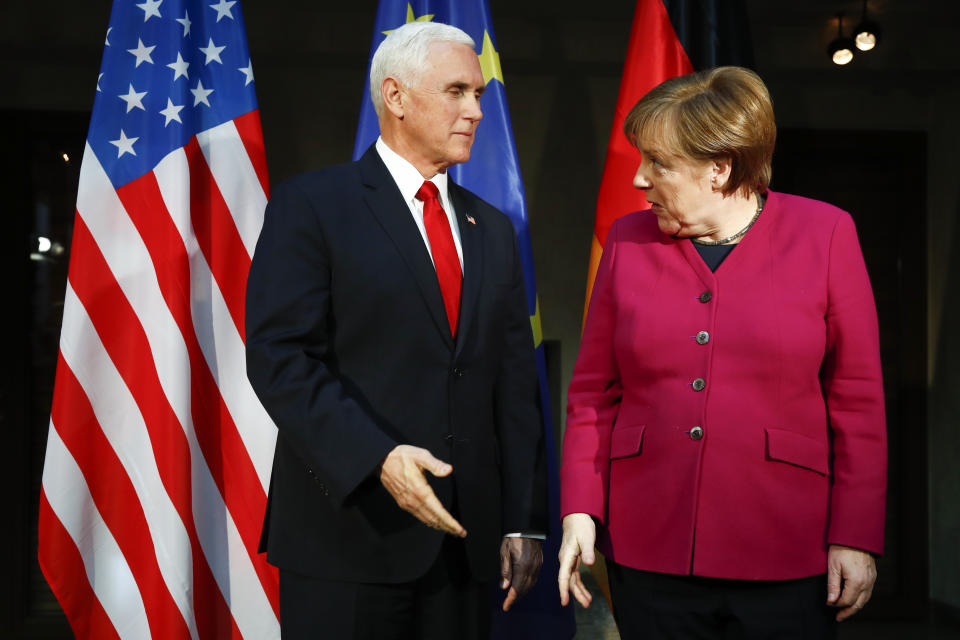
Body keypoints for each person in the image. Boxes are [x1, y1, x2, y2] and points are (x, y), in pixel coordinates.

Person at [557, 66, 887, 639]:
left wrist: (855, 534)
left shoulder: (827, 234)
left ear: (720, 167)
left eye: (658, 163)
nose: (639, 179)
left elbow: (857, 400)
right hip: (650, 544)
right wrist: (580, 509)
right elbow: (593, 393)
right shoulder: (626, 242)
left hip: (785, 544)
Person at [246, 21, 546, 639]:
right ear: (396, 96)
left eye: (479, 95)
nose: (476, 111)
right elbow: (279, 358)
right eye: (457, 91)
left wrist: (523, 521)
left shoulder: (492, 228)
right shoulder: (314, 205)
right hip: (348, 536)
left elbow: (514, 385)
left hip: (465, 548)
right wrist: (376, 457)